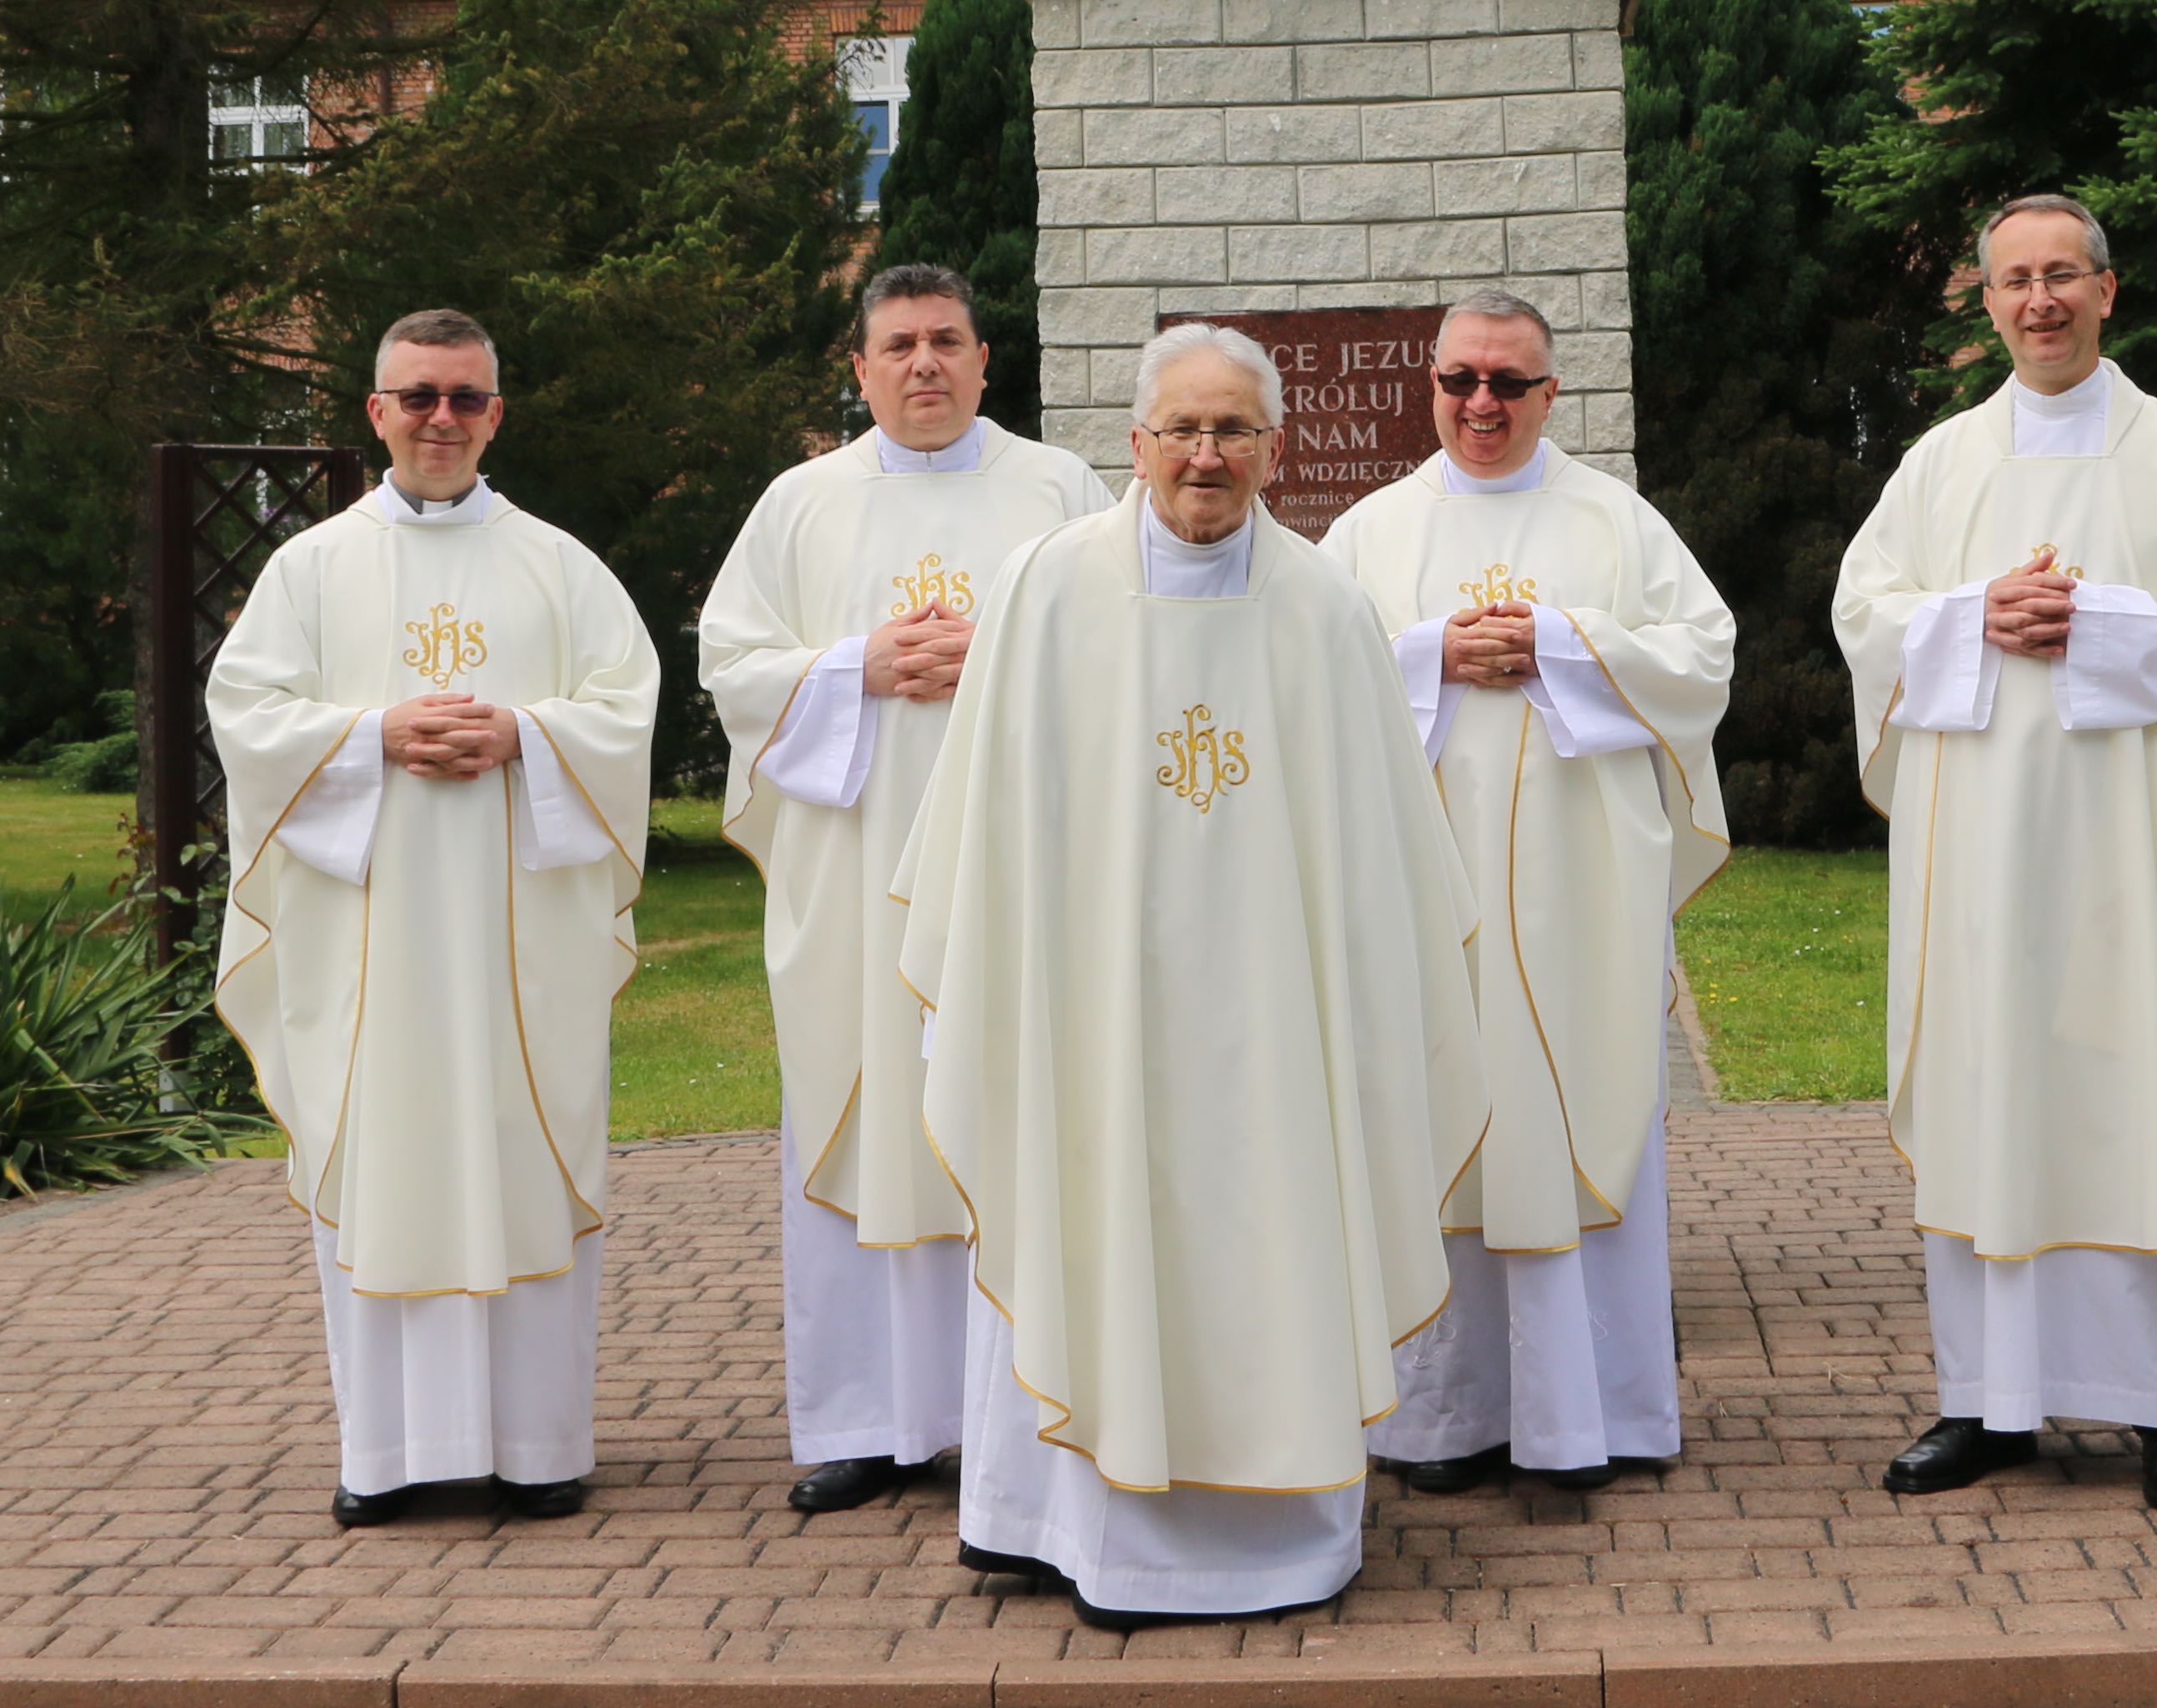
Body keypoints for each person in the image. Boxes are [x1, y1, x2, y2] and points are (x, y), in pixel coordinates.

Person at [892, 322, 1484, 1631]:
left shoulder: (1327, 609)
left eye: (1233, 432)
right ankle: (1071, 1532)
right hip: (1090, 1014)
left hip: (1279, 1027)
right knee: (1084, 1214)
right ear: (1137, 442)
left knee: (1273, 1226)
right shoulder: (1047, 589)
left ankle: (1280, 1550)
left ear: (1276, 449)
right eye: (1183, 430)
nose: (1205, 457)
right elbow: (991, 823)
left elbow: (1383, 856)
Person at [1829, 196, 2157, 1505]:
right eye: (2014, 281)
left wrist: (2101, 622)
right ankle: (1987, 1402)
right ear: (1986, 303)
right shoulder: (1942, 464)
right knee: (1991, 1094)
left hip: (2139, 855)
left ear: (2106, 290)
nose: (2039, 301)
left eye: (2061, 277)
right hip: (1979, 856)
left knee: (2139, 1093)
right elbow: (1865, 613)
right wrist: (1972, 614)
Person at [203, 309, 660, 1527]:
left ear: (496, 415)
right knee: (384, 1154)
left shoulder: (560, 566)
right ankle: (390, 1455)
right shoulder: (311, 571)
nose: (440, 420)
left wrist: (525, 734)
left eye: (463, 398)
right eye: (417, 397)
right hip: (372, 946)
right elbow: (246, 713)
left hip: (522, 948)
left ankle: (540, 1449)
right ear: (377, 413)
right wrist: (374, 735)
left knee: (523, 1153)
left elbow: (628, 706)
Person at [700, 264, 1112, 1516]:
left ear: (985, 361)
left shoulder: (1059, 491)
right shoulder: (801, 503)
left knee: (1015, 1115)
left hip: (1017, 879)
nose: (923, 363)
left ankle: (1020, 1414)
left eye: (945, 341)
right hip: (857, 876)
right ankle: (867, 1423)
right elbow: (732, 662)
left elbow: (1127, 646)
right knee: (865, 1116)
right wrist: (859, 664)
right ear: (861, 368)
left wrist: (1003, 655)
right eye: (898, 345)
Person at [1322, 289, 1731, 1494]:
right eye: (1460, 380)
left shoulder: (1617, 522)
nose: (1482, 404)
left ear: (1552, 393)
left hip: (1579, 899)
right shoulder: (1370, 534)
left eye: (1509, 383)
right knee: (1435, 1119)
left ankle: (1584, 1422)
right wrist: (1429, 656)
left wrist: (1563, 643)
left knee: (1570, 1111)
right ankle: (1441, 1422)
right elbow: (1307, 674)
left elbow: (1703, 656)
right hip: (1423, 898)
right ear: (1431, 384)